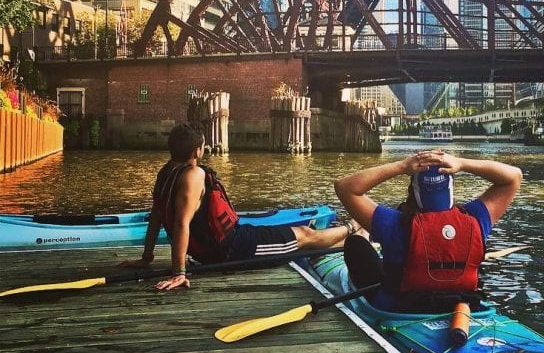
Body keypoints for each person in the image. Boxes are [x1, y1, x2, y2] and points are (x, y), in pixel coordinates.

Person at [121, 122, 358, 290]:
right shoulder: (194, 174)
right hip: (235, 250)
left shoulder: (166, 173)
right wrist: (179, 273)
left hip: (217, 249)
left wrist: (147, 257)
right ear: (197, 151)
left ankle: (355, 239)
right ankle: (354, 227)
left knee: (302, 242)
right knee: (305, 235)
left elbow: (156, 217)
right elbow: (181, 224)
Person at [334, 149, 522, 311]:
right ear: (450, 188)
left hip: (400, 308)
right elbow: (514, 176)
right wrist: (461, 163)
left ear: (414, 190)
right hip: (460, 306)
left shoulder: (394, 223)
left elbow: (344, 187)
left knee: (356, 243)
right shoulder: (476, 219)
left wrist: (402, 166)